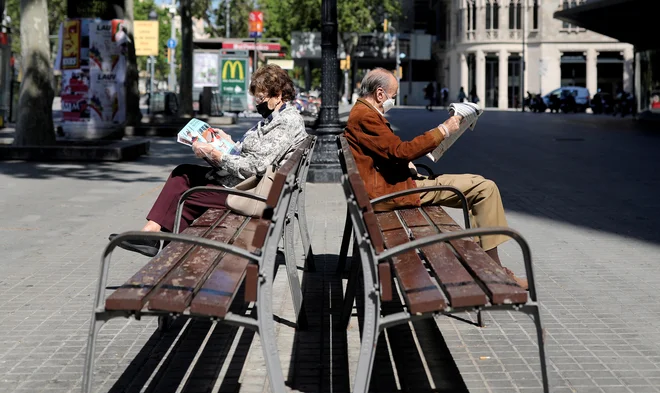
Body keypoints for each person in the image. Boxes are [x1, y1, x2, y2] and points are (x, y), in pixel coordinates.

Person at [344, 68, 528, 288]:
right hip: (394, 192)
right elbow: (399, 151)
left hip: (392, 185)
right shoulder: (366, 116)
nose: (392, 100)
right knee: (484, 188)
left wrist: (405, 161)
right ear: (380, 94)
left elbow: (389, 152)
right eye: (393, 96)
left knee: (478, 182)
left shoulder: (361, 112)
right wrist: (443, 130)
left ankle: (490, 267)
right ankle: (494, 272)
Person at [109, 64, 308, 257]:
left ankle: (171, 257)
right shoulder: (276, 117)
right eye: (256, 97)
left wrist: (217, 155)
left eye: (261, 97)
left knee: (184, 198)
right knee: (182, 174)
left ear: (279, 94)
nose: (258, 103)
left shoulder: (287, 122)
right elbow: (257, 154)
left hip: (250, 193)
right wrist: (229, 144)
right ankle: (152, 236)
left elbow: (255, 166)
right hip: (244, 184)